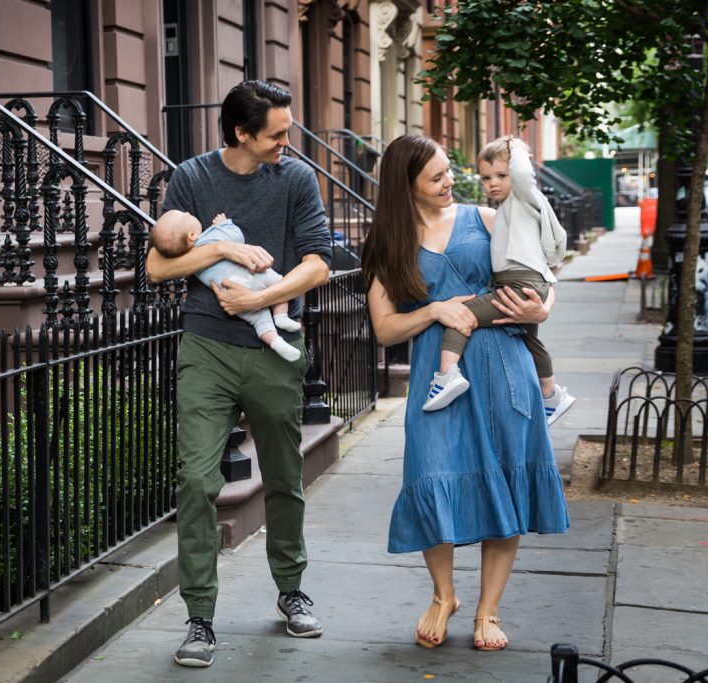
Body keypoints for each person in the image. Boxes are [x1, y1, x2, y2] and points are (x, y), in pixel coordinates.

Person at [146, 80, 331, 668]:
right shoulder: (194, 178)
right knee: (197, 481)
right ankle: (199, 617)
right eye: (277, 133)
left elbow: (320, 262)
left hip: (273, 348)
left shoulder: (297, 179)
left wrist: (263, 296)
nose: (287, 142)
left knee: (284, 475)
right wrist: (223, 253)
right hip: (206, 347)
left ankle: (291, 588)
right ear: (242, 134)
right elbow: (156, 264)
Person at [363, 134, 569, 652]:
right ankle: (444, 595)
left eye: (449, 171)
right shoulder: (388, 241)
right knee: (432, 474)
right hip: (440, 378)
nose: (450, 181)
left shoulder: (487, 218)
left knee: (507, 479)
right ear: (404, 186)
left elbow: (542, 267)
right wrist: (433, 309)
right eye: (435, 177)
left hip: (505, 366)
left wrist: (543, 309)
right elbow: (385, 329)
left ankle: (488, 610)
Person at [422, 136, 576, 427]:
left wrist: (517, 147)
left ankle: (447, 375)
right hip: (522, 283)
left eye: (501, 176)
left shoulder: (524, 198)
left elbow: (521, 175)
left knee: (461, 317)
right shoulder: (506, 208)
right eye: (486, 178)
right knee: (531, 341)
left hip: (519, 284)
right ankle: (552, 395)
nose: (493, 183)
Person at [150, 209, 302, 362]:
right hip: (251, 275)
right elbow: (237, 237)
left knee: (260, 320)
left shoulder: (188, 260)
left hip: (232, 293)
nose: (189, 212)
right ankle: (281, 316)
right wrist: (224, 224)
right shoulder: (210, 237)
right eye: (186, 215)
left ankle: (275, 342)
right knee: (279, 284)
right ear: (191, 236)